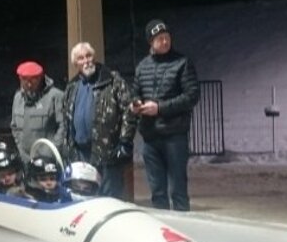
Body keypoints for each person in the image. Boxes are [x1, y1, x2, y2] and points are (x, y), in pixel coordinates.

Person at [131, 19, 200, 211]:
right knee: (157, 191)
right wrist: (135, 104)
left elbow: (191, 96)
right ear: (150, 42)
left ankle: (184, 228)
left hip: (174, 135)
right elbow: (136, 91)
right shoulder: (142, 66)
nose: (164, 42)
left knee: (178, 189)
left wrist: (160, 108)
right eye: (159, 38)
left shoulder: (182, 63)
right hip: (150, 136)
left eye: (167, 37)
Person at [57, 42, 136, 198]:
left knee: (110, 200)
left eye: (89, 56)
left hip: (108, 155)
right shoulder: (72, 86)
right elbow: (66, 120)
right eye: (81, 58)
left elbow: (130, 110)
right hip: (80, 156)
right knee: (84, 200)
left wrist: (124, 142)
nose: (86, 61)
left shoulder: (112, 80)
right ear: (75, 64)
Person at [10, 60, 65, 161]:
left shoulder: (55, 96)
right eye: (25, 80)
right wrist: (21, 151)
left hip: (48, 159)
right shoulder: (18, 98)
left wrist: (51, 151)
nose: (29, 85)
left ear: (41, 78)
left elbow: (63, 127)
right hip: (24, 158)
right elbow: (14, 127)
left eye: (33, 80)